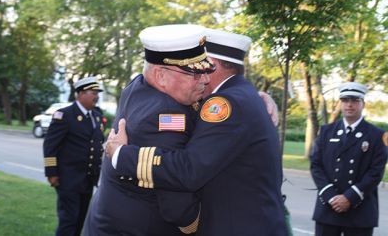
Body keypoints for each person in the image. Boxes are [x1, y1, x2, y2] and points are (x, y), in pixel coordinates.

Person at [106, 28, 288, 236]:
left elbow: (189, 169)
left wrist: (121, 154)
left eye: (200, 65)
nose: (199, 75)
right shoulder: (243, 96)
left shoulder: (225, 103)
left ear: (213, 65)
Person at [83, 24, 215, 236]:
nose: (206, 79)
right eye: (195, 74)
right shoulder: (166, 114)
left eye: (206, 69)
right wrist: (199, 225)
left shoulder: (139, 85)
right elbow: (176, 203)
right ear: (161, 75)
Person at [310, 81, 388, 236]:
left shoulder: (377, 135)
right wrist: (331, 196)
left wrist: (349, 197)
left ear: (363, 104)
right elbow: (316, 165)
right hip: (329, 207)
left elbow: (375, 172)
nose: (349, 105)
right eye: (345, 100)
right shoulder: (326, 131)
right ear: (341, 103)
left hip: (360, 209)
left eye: (354, 101)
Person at [43, 76, 105, 236]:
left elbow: (97, 144)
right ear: (80, 94)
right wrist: (51, 173)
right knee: (69, 221)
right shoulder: (65, 115)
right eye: (93, 92)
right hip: (68, 179)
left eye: (97, 92)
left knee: (80, 220)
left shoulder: (97, 116)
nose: (96, 96)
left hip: (88, 179)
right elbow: (50, 146)